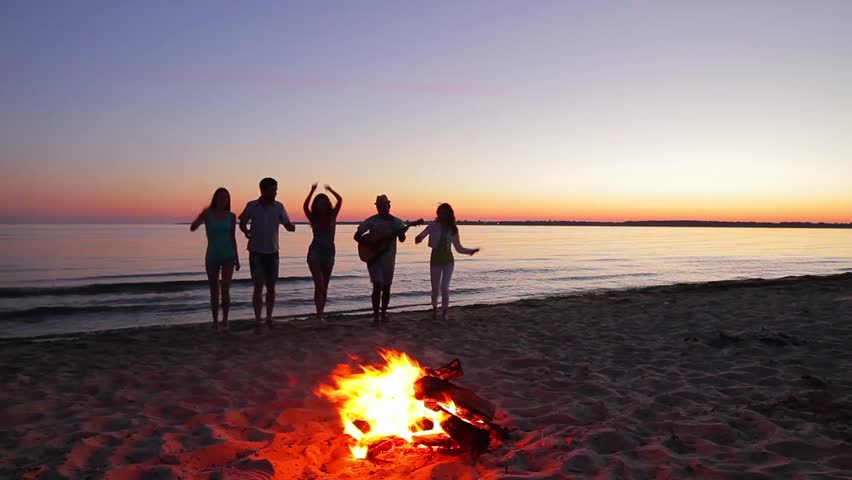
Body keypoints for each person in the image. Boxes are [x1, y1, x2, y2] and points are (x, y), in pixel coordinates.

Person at [238, 177, 295, 333]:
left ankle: (269, 319)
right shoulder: (252, 206)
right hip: (256, 252)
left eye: (276, 190)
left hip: (273, 253)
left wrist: (290, 227)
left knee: (271, 287)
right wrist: (246, 231)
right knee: (258, 287)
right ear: (263, 190)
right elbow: (242, 222)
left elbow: (286, 223)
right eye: (272, 190)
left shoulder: (279, 207)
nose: (275, 193)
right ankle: (258, 320)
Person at [415, 203, 479, 321]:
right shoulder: (433, 225)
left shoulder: (453, 229)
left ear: (449, 214)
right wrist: (418, 238)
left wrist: (470, 251)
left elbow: (458, 248)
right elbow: (422, 235)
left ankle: (444, 313)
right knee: (435, 287)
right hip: (435, 259)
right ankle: (434, 310)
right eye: (440, 212)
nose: (442, 215)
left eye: (444, 212)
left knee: (444, 287)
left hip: (448, 260)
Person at [353, 195, 410, 325]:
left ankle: (383, 314)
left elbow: (401, 239)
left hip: (389, 258)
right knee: (377, 285)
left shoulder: (397, 222)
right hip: (373, 257)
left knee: (387, 287)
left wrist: (401, 234)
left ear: (389, 206)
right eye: (379, 206)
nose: (381, 208)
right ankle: (376, 316)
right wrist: (371, 244)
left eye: (384, 205)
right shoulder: (371, 221)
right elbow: (356, 236)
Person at [190, 187, 240, 331]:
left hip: (228, 256)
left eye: (226, 197)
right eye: (221, 197)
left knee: (225, 290)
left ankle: (225, 321)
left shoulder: (231, 216)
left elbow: (232, 237)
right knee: (214, 291)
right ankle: (215, 321)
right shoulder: (208, 214)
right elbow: (193, 228)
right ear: (215, 198)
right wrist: (201, 216)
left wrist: (237, 258)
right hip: (212, 256)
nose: (224, 200)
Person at [303, 183, 342, 328]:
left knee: (324, 287)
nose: (321, 205)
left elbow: (340, 200)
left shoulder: (333, 215)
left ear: (327, 204)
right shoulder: (313, 218)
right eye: (318, 203)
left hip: (329, 252)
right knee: (318, 285)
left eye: (323, 203)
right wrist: (312, 191)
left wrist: (331, 190)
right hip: (315, 253)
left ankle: (321, 314)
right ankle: (319, 315)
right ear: (316, 205)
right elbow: (305, 206)